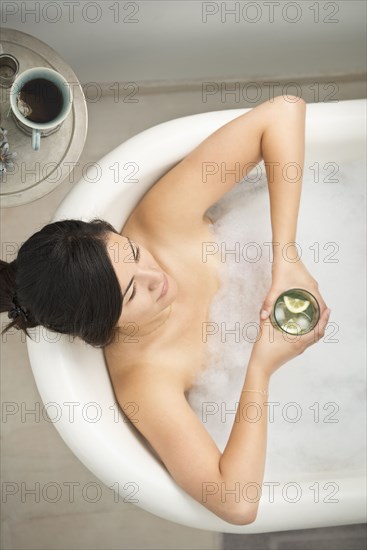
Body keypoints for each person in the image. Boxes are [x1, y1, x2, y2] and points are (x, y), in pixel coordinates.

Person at [0, 95, 331, 525]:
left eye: (133, 252)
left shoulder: (159, 221)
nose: (157, 275)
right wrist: (261, 368)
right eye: (135, 292)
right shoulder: (145, 380)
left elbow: (285, 112)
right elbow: (235, 501)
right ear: (101, 329)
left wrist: (285, 254)